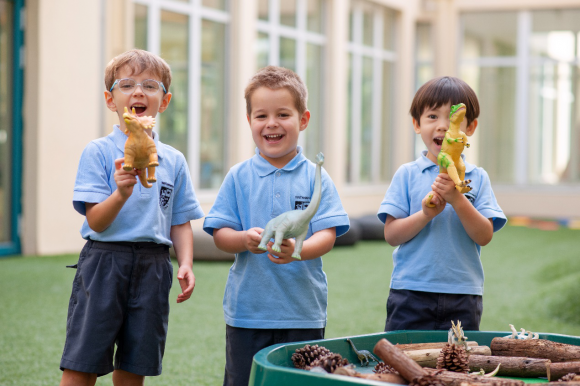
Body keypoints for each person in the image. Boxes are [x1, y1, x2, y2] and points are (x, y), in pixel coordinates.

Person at [59, 49, 205, 386]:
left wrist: (185, 262)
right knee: (84, 359)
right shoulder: (98, 152)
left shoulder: (174, 160)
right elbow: (95, 221)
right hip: (105, 261)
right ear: (111, 100)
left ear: (164, 101)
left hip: (154, 266)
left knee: (135, 362)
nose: (138, 92)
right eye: (127, 85)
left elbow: (179, 220)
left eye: (150, 86)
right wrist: (121, 193)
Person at [203, 66, 350, 386]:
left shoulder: (317, 177)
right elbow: (220, 234)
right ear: (249, 120)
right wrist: (243, 239)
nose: (271, 123)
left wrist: (298, 250)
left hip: (303, 313)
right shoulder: (238, 177)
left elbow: (327, 235)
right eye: (261, 115)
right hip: (247, 314)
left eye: (283, 114)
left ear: (303, 119)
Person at [377, 76, 507, 332]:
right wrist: (425, 214)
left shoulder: (477, 177)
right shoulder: (407, 174)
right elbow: (391, 235)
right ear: (417, 123)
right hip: (410, 291)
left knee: (457, 365)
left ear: (470, 127)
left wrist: (457, 199)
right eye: (433, 116)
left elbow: (484, 235)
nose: (443, 126)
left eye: (453, 119)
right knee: (403, 360)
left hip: (463, 293)